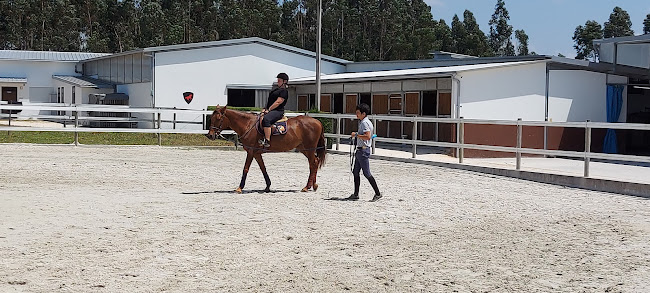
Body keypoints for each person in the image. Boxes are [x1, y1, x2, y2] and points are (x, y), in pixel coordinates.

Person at [346, 103, 382, 202]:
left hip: (363, 150)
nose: (356, 115)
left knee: (367, 173)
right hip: (360, 150)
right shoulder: (365, 122)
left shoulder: (365, 123)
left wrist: (356, 135)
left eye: (358, 113)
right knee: (355, 172)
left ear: (363, 113)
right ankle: (356, 194)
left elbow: (368, 136)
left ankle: (378, 193)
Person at [259, 73, 289, 147]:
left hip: (278, 111)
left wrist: (269, 109)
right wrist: (264, 108)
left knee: (266, 119)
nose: (278, 81)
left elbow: (278, 102)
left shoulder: (284, 91)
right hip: (271, 110)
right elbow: (270, 101)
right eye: (278, 80)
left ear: (284, 81)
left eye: (279, 80)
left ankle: (267, 140)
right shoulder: (276, 90)